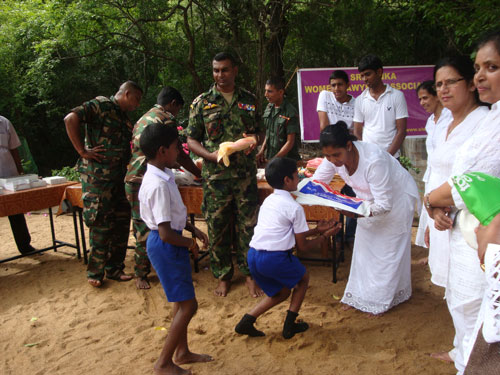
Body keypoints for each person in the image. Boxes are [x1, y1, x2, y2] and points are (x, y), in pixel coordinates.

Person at [424, 30, 500, 374]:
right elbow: (449, 176)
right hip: (454, 223)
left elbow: (471, 179)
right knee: (459, 299)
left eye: (492, 67)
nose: (481, 75)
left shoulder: (486, 120)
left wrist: (433, 199)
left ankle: (469, 361)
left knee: (476, 306)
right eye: (478, 67)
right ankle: (462, 355)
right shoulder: (442, 124)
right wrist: (434, 208)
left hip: (482, 230)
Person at [313, 122, 419, 315]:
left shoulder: (373, 160)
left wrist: (352, 211)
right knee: (364, 250)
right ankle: (360, 296)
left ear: (348, 145)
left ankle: (382, 300)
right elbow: (317, 183)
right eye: (327, 156)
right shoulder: (332, 159)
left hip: (397, 199)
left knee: (388, 252)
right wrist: (309, 193)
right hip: (366, 203)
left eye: (336, 155)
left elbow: (384, 205)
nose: (333, 161)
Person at [234, 157, 341, 338]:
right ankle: (289, 326)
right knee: (302, 280)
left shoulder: (269, 201)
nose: (298, 179)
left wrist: (316, 229)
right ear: (287, 180)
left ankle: (247, 320)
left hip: (253, 256)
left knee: (282, 292)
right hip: (275, 258)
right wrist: (324, 236)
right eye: (296, 176)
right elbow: (303, 247)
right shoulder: (294, 207)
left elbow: (284, 233)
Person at [186, 52, 263, 297]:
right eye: (216, 70)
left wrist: (253, 142)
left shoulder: (249, 101)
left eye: (225, 70)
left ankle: (250, 273)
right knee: (217, 227)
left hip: (245, 177)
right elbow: (191, 139)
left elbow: (258, 133)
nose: (220, 75)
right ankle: (223, 275)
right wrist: (209, 156)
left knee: (248, 226)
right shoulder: (202, 102)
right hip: (216, 178)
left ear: (235, 71)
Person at [138, 123, 212, 375]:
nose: (178, 151)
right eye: (175, 147)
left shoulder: (161, 175)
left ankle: (182, 352)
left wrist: (194, 231)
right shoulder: (157, 184)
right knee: (189, 306)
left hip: (169, 241)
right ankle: (163, 363)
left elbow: (172, 218)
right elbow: (166, 232)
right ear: (162, 151)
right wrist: (190, 244)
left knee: (181, 303)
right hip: (166, 246)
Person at [64, 81, 143, 287]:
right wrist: (82, 151)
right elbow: (70, 118)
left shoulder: (124, 117)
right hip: (98, 181)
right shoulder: (100, 105)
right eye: (137, 99)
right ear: (126, 94)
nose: (138, 104)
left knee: (121, 223)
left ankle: (115, 269)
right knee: (100, 225)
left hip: (119, 180)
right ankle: (95, 273)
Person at [125, 86, 201, 290]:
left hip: (134, 176)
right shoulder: (166, 120)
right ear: (173, 104)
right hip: (146, 176)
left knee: (141, 226)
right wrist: (198, 173)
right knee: (153, 228)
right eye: (178, 109)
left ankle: (142, 272)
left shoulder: (143, 117)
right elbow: (182, 154)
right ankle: (146, 273)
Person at [415, 80, 453, 269]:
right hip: (431, 175)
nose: (422, 102)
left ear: (437, 97)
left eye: (425, 98)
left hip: (446, 176)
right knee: (432, 217)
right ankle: (435, 256)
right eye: (420, 99)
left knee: (446, 218)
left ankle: (448, 260)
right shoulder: (431, 121)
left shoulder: (451, 118)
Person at [353, 54, 408, 158]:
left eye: (368, 74)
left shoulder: (397, 96)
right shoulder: (360, 100)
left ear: (379, 72)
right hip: (369, 158)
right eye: (362, 76)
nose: (365, 79)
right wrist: (364, 154)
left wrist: (387, 157)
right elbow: (357, 131)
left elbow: (401, 131)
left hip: (392, 158)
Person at [0, 115, 36, 255]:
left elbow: (14, 148)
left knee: (15, 209)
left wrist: (19, 170)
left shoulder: (4, 122)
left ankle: (24, 246)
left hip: (9, 172)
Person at [256, 77, 301, 165]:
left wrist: (275, 160)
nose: (266, 94)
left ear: (280, 92)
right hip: (270, 158)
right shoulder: (269, 107)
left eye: (270, 91)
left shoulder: (290, 112)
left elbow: (290, 142)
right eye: (266, 90)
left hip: (287, 161)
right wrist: (261, 151)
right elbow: (268, 133)